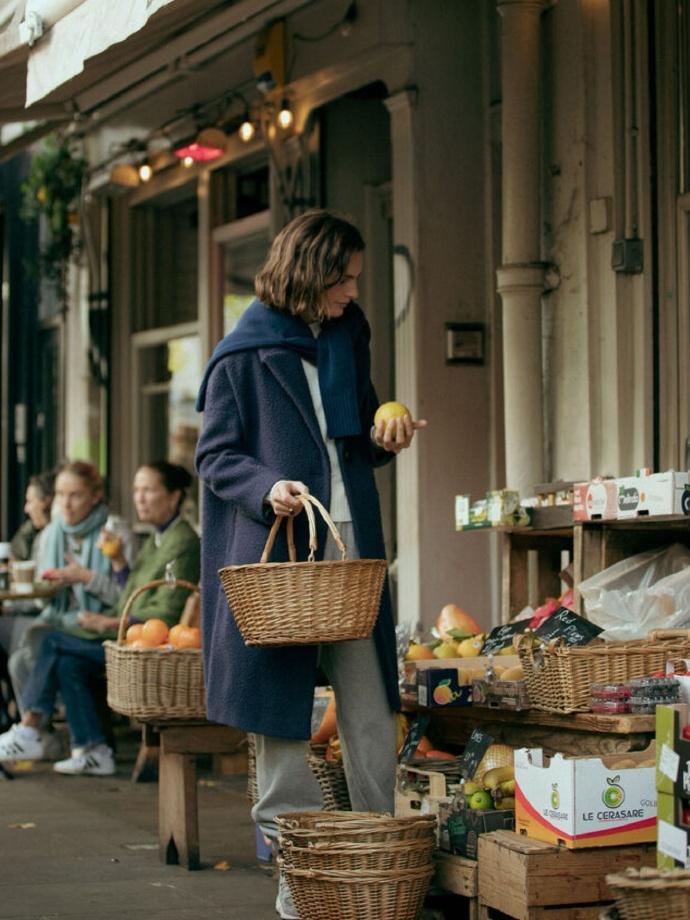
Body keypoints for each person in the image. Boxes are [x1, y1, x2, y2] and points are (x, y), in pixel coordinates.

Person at [194, 210, 426, 920]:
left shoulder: (346, 335)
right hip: (280, 558)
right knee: (281, 720)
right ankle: (297, 878)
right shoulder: (244, 351)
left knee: (369, 707)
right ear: (309, 274)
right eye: (344, 279)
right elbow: (215, 457)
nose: (352, 293)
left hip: (351, 547)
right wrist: (268, 486)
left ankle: (375, 862)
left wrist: (390, 431)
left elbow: (356, 432)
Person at [0, 461, 200, 776]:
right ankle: (94, 750)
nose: (140, 498)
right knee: (66, 661)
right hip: (127, 633)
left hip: (150, 647)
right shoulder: (156, 539)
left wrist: (105, 622)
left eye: (148, 490)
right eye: (136, 490)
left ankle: (30, 728)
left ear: (174, 497)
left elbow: (166, 611)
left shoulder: (182, 542)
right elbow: (131, 594)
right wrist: (119, 563)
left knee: (52, 642)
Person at [7, 460, 133, 707]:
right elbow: (40, 600)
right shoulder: (49, 535)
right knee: (18, 663)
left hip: (100, 623)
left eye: (75, 495)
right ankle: (41, 733)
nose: (65, 504)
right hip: (59, 618)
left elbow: (126, 598)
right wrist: (48, 585)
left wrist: (85, 577)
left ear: (95, 496)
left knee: (38, 647)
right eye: (61, 495)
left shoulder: (115, 532)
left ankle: (36, 729)